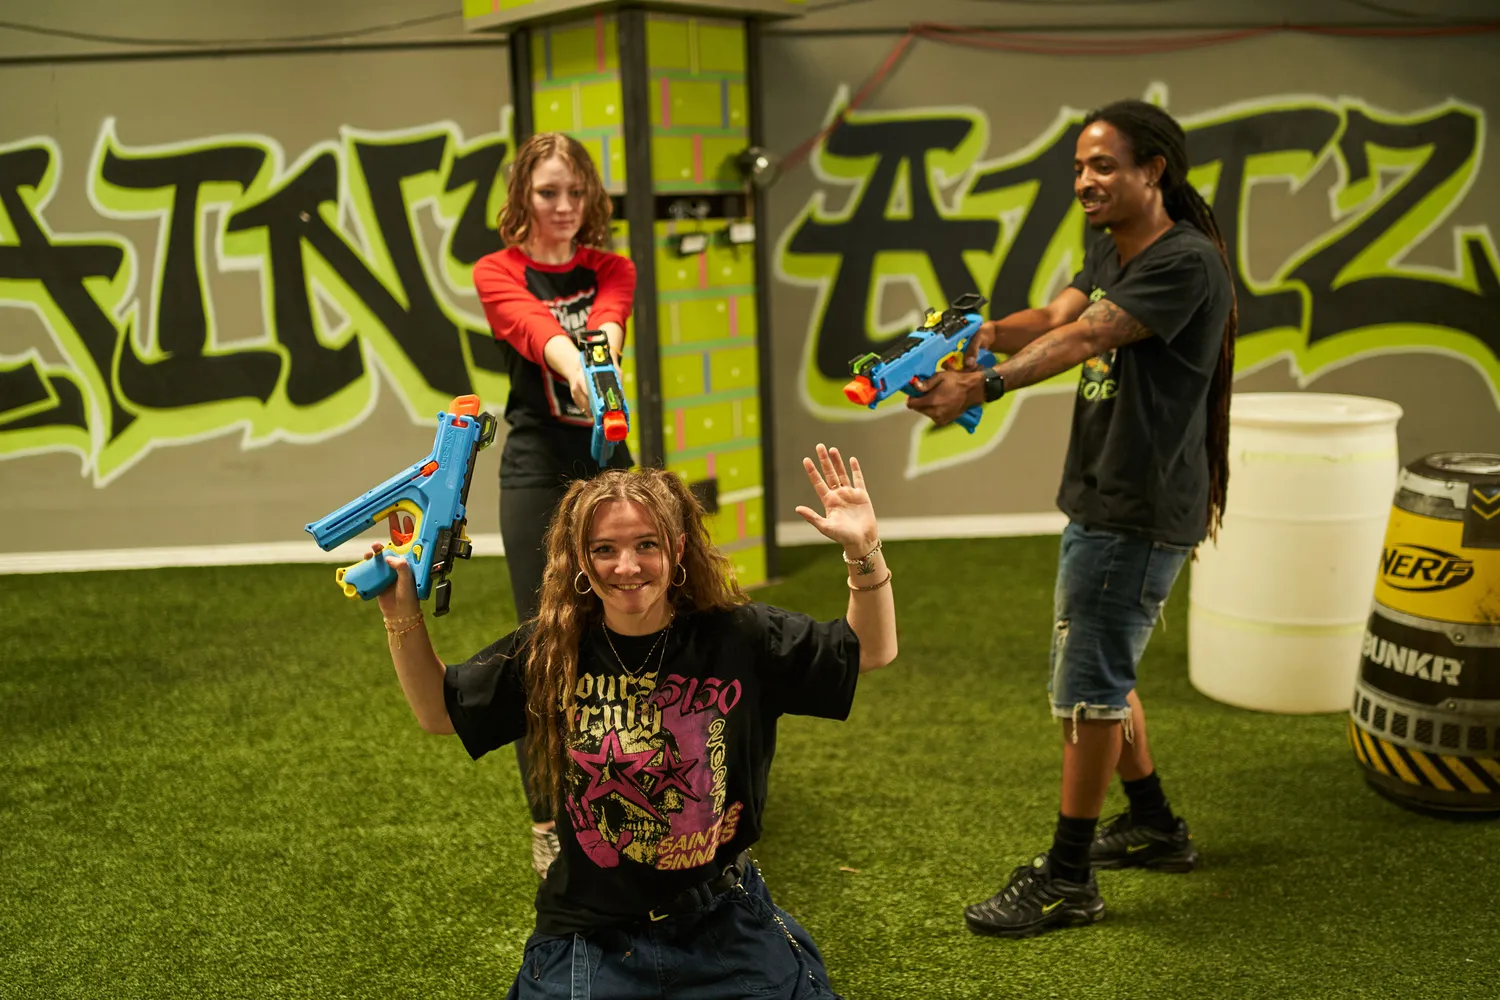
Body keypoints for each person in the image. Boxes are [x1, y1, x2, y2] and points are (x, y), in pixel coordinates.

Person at [362, 443, 896, 998]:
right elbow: (438, 712)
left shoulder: (740, 636)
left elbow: (872, 650)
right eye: (604, 549)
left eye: (647, 545)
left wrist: (864, 551)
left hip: (720, 919)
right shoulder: (553, 650)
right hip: (591, 936)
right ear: (579, 558)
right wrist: (399, 613)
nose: (626, 566)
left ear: (679, 548)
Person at [907, 98, 1237, 938]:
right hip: (1104, 493)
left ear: (1152, 171)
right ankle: (1156, 826)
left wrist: (980, 385)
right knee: (1105, 667)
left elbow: (1087, 338)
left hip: (1136, 506)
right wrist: (976, 336)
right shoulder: (1112, 246)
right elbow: (1054, 319)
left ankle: (1066, 879)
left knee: (1086, 691)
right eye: (1080, 168)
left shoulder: (1186, 262)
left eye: (1103, 167)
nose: (1084, 181)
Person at [472, 131, 637, 877]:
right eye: (548, 193)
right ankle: (549, 822)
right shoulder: (497, 270)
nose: (564, 207)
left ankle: (634, 794)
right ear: (522, 199)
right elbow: (538, 332)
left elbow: (605, 322)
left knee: (636, 629)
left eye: (575, 192)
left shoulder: (613, 266)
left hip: (609, 465)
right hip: (537, 465)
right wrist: (577, 369)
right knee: (543, 646)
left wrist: (596, 359)